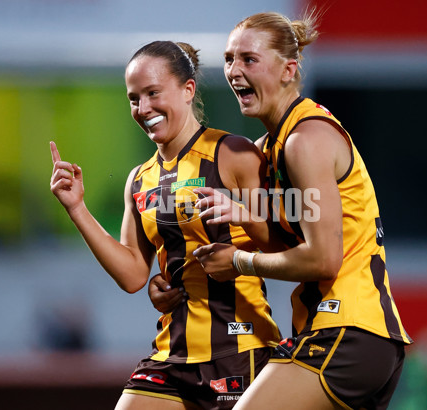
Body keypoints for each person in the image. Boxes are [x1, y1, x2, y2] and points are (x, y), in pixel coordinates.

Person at [149, 12, 412, 410]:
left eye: (249, 60)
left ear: (289, 70)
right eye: (228, 59)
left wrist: (238, 260)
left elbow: (323, 260)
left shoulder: (304, 141)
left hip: (346, 331)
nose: (233, 71)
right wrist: (179, 281)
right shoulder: (270, 147)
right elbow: (280, 248)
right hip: (352, 337)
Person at [50, 40, 281, 410]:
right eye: (133, 98)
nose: (143, 109)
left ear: (188, 90)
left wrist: (238, 245)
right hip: (171, 356)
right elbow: (132, 275)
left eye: (153, 93)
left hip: (241, 351)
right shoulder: (138, 180)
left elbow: (285, 243)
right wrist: (77, 208)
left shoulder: (235, 154)